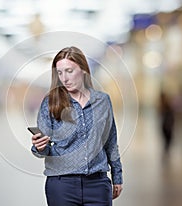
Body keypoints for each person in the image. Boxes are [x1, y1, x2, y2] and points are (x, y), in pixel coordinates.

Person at [31, 46, 123, 206]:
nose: (64, 78)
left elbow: (111, 142)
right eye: (60, 73)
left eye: (69, 71)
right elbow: (44, 149)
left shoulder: (102, 101)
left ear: (83, 70)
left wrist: (117, 176)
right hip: (62, 186)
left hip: (98, 184)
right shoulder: (51, 102)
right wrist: (39, 147)